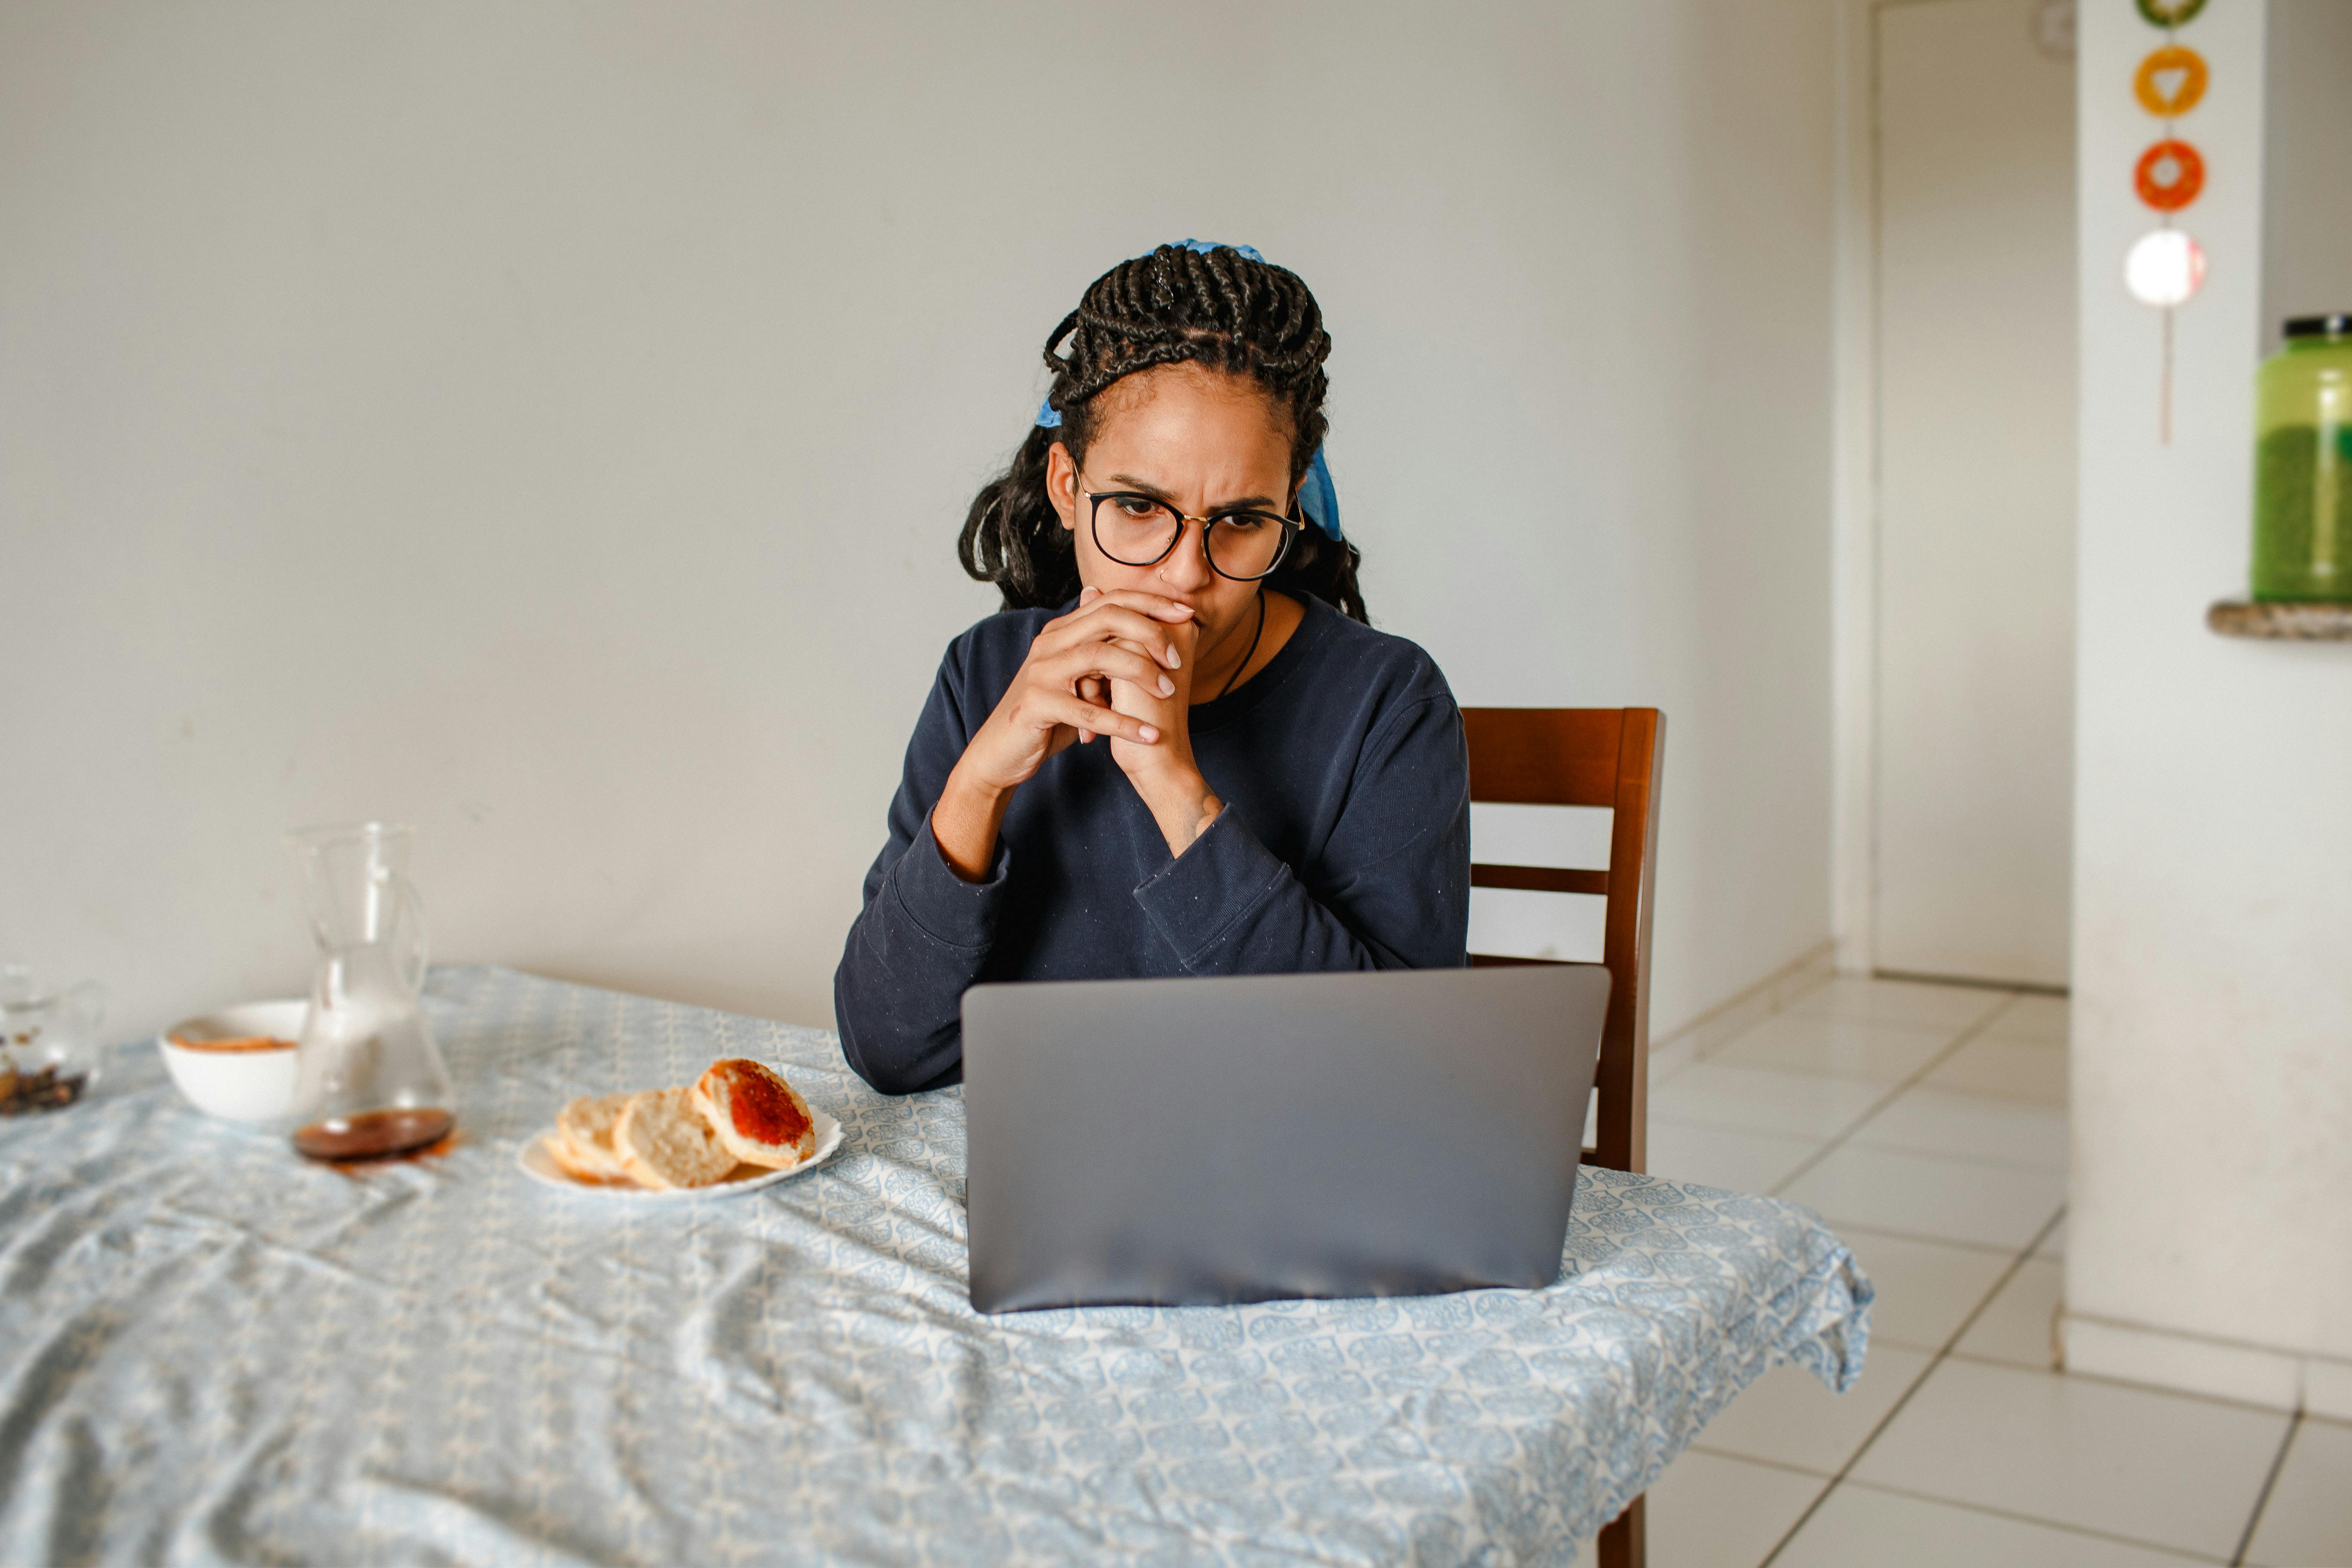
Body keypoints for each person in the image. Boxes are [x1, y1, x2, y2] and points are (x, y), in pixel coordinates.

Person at [834, 241, 1469, 1095]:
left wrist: (1175, 784)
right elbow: (887, 1049)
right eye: (1138, 508)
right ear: (1068, 486)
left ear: (1291, 507)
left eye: (1241, 520)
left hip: (1269, 1197)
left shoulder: (1390, 704)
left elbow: (1394, 1081)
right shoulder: (983, 674)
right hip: (1037, 1193)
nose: (1185, 576)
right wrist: (980, 783)